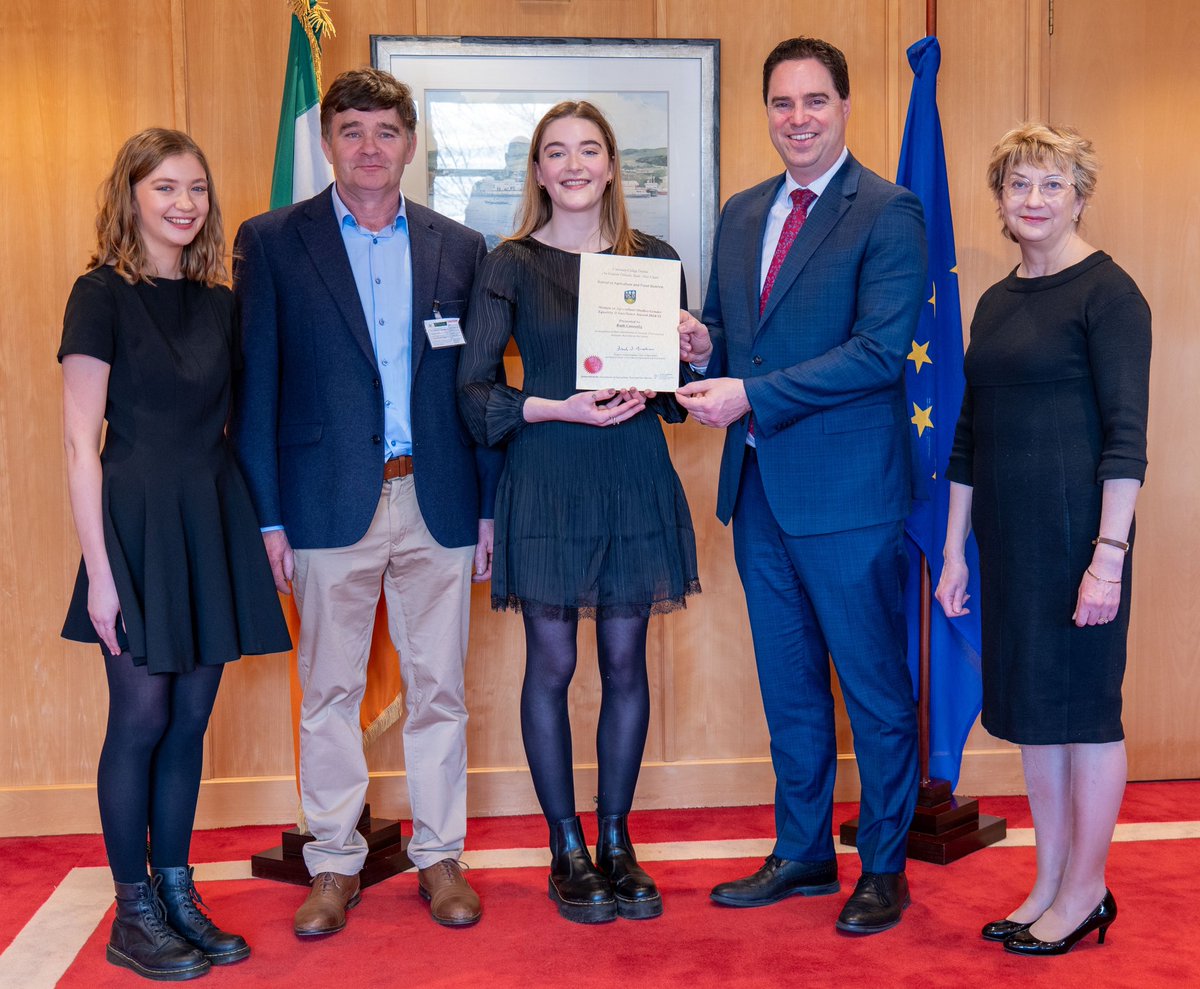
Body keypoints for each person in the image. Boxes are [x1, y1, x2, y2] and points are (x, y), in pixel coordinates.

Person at [231, 67, 501, 935]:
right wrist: (268, 515)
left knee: (440, 690)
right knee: (328, 691)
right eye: (352, 130)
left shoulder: (459, 246)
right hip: (321, 503)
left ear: (411, 144)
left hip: (439, 497)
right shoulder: (273, 241)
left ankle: (440, 854)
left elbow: (482, 386)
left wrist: (489, 507)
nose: (370, 147)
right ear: (326, 141)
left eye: (386, 131)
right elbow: (256, 389)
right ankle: (335, 862)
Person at [675, 36, 927, 934]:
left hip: (850, 495)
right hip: (758, 492)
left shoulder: (889, 210)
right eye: (782, 103)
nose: (798, 119)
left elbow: (877, 353)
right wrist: (703, 348)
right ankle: (804, 850)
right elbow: (727, 330)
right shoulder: (745, 212)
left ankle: (885, 866)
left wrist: (751, 391)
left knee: (875, 689)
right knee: (789, 690)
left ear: (846, 106)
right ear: (766, 112)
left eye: (815, 101)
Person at [457, 101, 700, 924]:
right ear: (536, 170)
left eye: (587, 150)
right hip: (551, 470)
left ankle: (617, 843)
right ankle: (566, 849)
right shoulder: (510, 263)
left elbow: (674, 398)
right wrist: (559, 408)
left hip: (633, 473)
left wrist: (691, 354)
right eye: (554, 152)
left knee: (626, 663)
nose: (571, 165)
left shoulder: (655, 260)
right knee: (553, 667)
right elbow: (476, 391)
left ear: (609, 167)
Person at [60, 128, 292, 981]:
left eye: (196, 187)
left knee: (191, 721)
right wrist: (103, 575)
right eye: (165, 188)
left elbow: (242, 420)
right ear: (131, 196)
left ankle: (178, 890)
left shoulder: (221, 300)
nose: (184, 203)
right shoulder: (99, 293)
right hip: (136, 523)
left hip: (213, 515)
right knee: (142, 719)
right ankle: (134, 911)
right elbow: (82, 445)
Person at [935, 123, 1150, 956]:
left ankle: (1089, 889)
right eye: (1018, 185)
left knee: (1086, 717)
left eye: (1051, 185)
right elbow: (966, 437)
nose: (1033, 200)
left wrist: (1109, 557)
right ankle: (1051, 881)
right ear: (1000, 200)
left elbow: (1126, 437)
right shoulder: (995, 301)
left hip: (1080, 544)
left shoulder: (1110, 294)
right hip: (1009, 545)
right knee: (1036, 719)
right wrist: (955, 550)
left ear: (1080, 196)